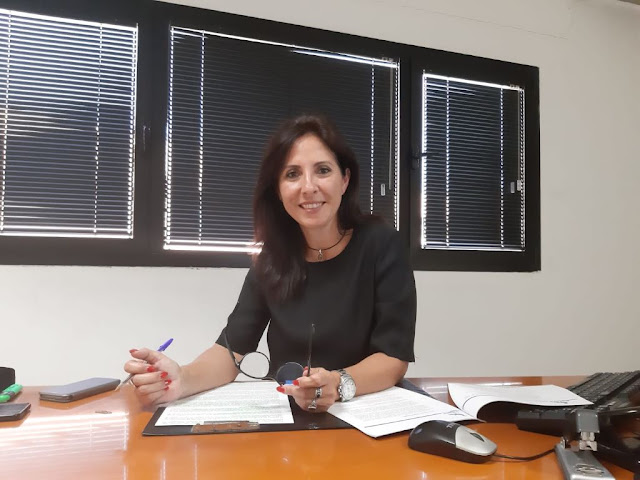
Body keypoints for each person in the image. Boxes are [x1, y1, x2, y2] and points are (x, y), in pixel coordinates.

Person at [124, 114, 416, 412]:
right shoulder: (272, 258)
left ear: (344, 180)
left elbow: (394, 357)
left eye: (323, 170)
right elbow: (230, 352)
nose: (308, 187)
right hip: (290, 414)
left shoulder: (381, 243)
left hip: (367, 410)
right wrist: (182, 379)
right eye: (292, 174)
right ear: (277, 189)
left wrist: (338, 384)